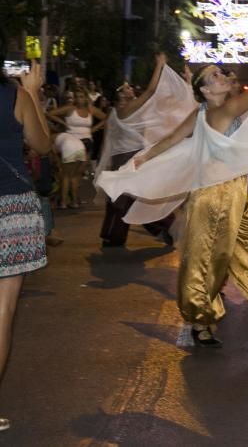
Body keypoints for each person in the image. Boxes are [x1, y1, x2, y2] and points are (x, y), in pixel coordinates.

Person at [98, 17, 248, 347]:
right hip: (213, 195)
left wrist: (143, 160)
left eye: (220, 73)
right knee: (206, 257)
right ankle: (201, 320)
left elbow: (170, 141)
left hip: (237, 192)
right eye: (216, 76)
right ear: (206, 90)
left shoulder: (206, 113)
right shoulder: (225, 110)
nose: (223, 76)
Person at [97, 53, 195, 248]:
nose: (130, 89)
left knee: (125, 198)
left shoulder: (119, 113)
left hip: (123, 159)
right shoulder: (127, 109)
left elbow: (165, 103)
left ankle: (118, 234)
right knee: (130, 198)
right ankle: (162, 228)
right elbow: (151, 91)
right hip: (129, 159)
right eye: (126, 89)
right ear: (120, 96)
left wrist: (187, 84)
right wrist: (159, 65)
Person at [0, 63, 51, 431]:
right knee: (2, 310)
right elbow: (42, 145)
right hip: (11, 209)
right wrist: (32, 92)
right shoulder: (14, 96)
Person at [46, 89, 106, 160]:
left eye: (81, 97)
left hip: (87, 141)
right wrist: (62, 122)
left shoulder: (90, 109)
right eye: (76, 97)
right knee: (72, 167)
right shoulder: (70, 108)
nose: (78, 99)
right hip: (71, 142)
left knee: (82, 168)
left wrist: (95, 128)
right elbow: (49, 114)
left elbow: (107, 118)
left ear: (86, 98)